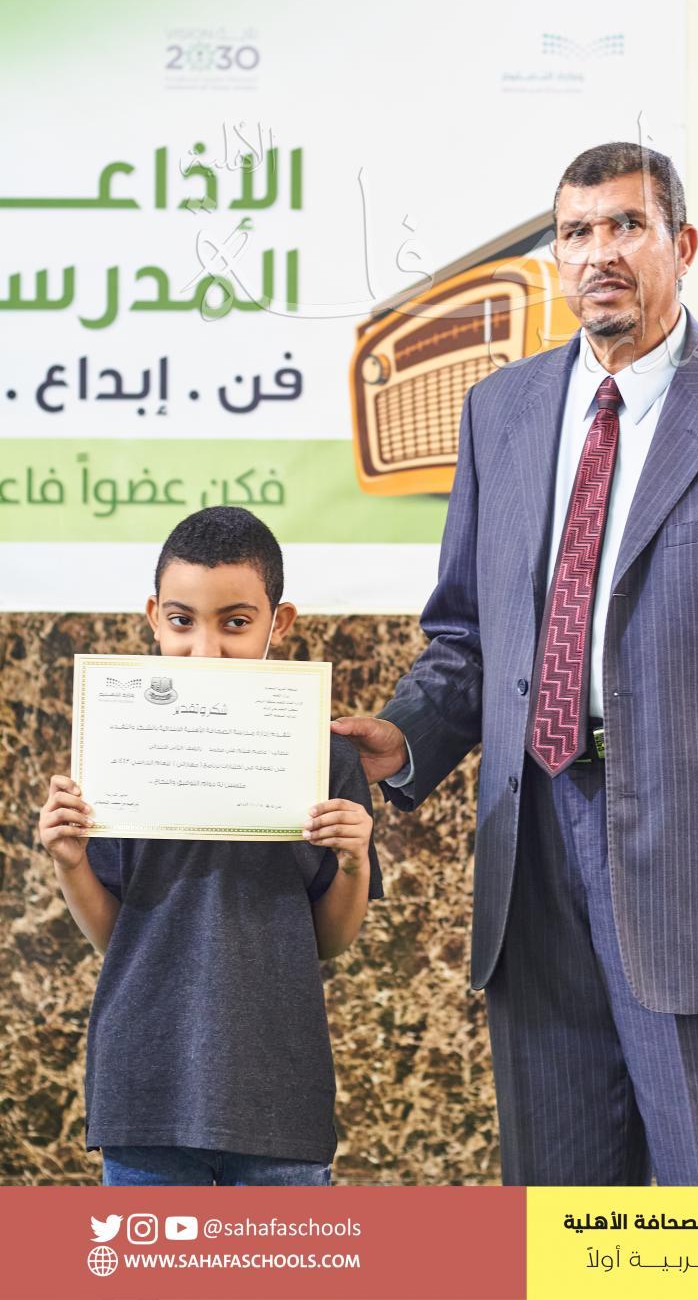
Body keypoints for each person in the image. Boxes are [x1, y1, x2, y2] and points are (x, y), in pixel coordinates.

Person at [333, 142, 698, 1185]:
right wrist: (402, 734)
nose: (599, 253)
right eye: (576, 232)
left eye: (627, 225)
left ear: (683, 245)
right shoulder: (502, 412)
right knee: (562, 1217)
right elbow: (469, 637)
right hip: (533, 855)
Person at [39, 506, 383, 1187]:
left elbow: (332, 941)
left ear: (278, 622)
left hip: (279, 1092)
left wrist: (354, 862)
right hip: (146, 1089)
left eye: (235, 622)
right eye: (181, 621)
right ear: (153, 617)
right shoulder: (118, 747)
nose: (205, 650)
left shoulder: (325, 757)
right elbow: (115, 938)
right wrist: (71, 864)